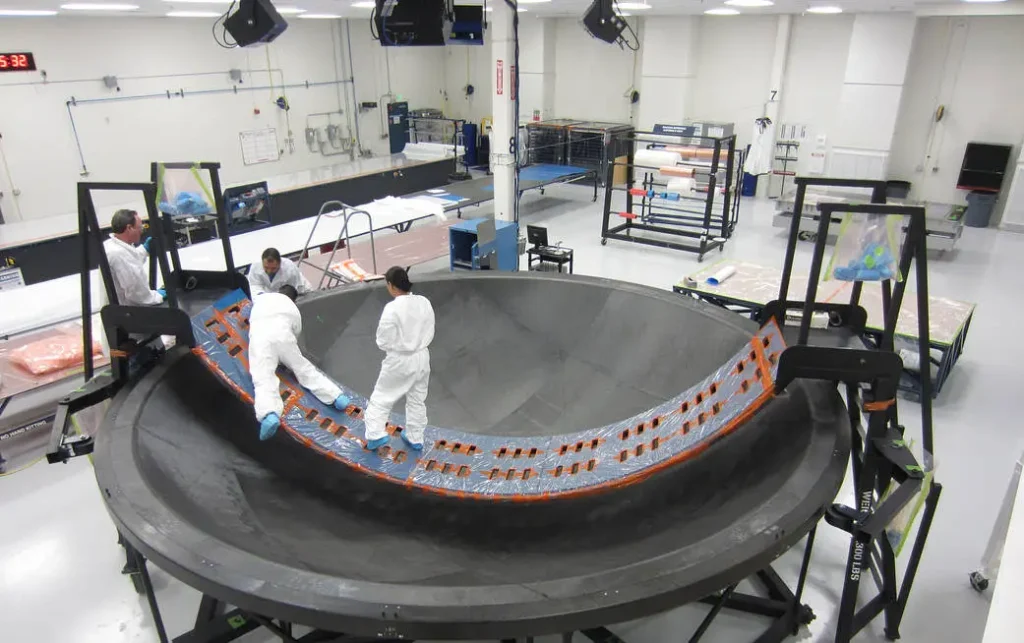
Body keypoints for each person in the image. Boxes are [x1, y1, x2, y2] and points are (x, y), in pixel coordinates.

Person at [248, 284, 350, 440]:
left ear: (278, 291)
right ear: (293, 299)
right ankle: (337, 397)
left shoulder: (263, 299)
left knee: (263, 376)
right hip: (284, 337)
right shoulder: (293, 309)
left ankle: (270, 414)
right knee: (303, 369)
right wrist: (286, 358)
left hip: (260, 338)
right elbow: (296, 332)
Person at [364, 267, 435, 452]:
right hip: (422, 357)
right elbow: (430, 327)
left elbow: (383, 340)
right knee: (417, 399)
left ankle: (375, 435)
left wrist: (396, 347)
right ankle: (415, 437)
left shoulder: (392, 308)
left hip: (401, 359)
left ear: (391, 285)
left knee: (382, 397)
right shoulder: (424, 302)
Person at [103, 209, 165, 306]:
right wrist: (158, 296)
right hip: (127, 314)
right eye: (140, 227)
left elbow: (131, 262)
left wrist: (145, 249)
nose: (142, 231)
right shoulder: (118, 253)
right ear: (129, 228)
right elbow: (136, 293)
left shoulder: (111, 245)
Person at [248, 247, 313, 297]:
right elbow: (254, 286)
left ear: (280, 263)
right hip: (270, 296)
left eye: (273, 268)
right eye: (266, 267)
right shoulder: (255, 267)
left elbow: (293, 291)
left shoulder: (290, 269)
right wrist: (261, 295)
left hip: (302, 293)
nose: (269, 271)